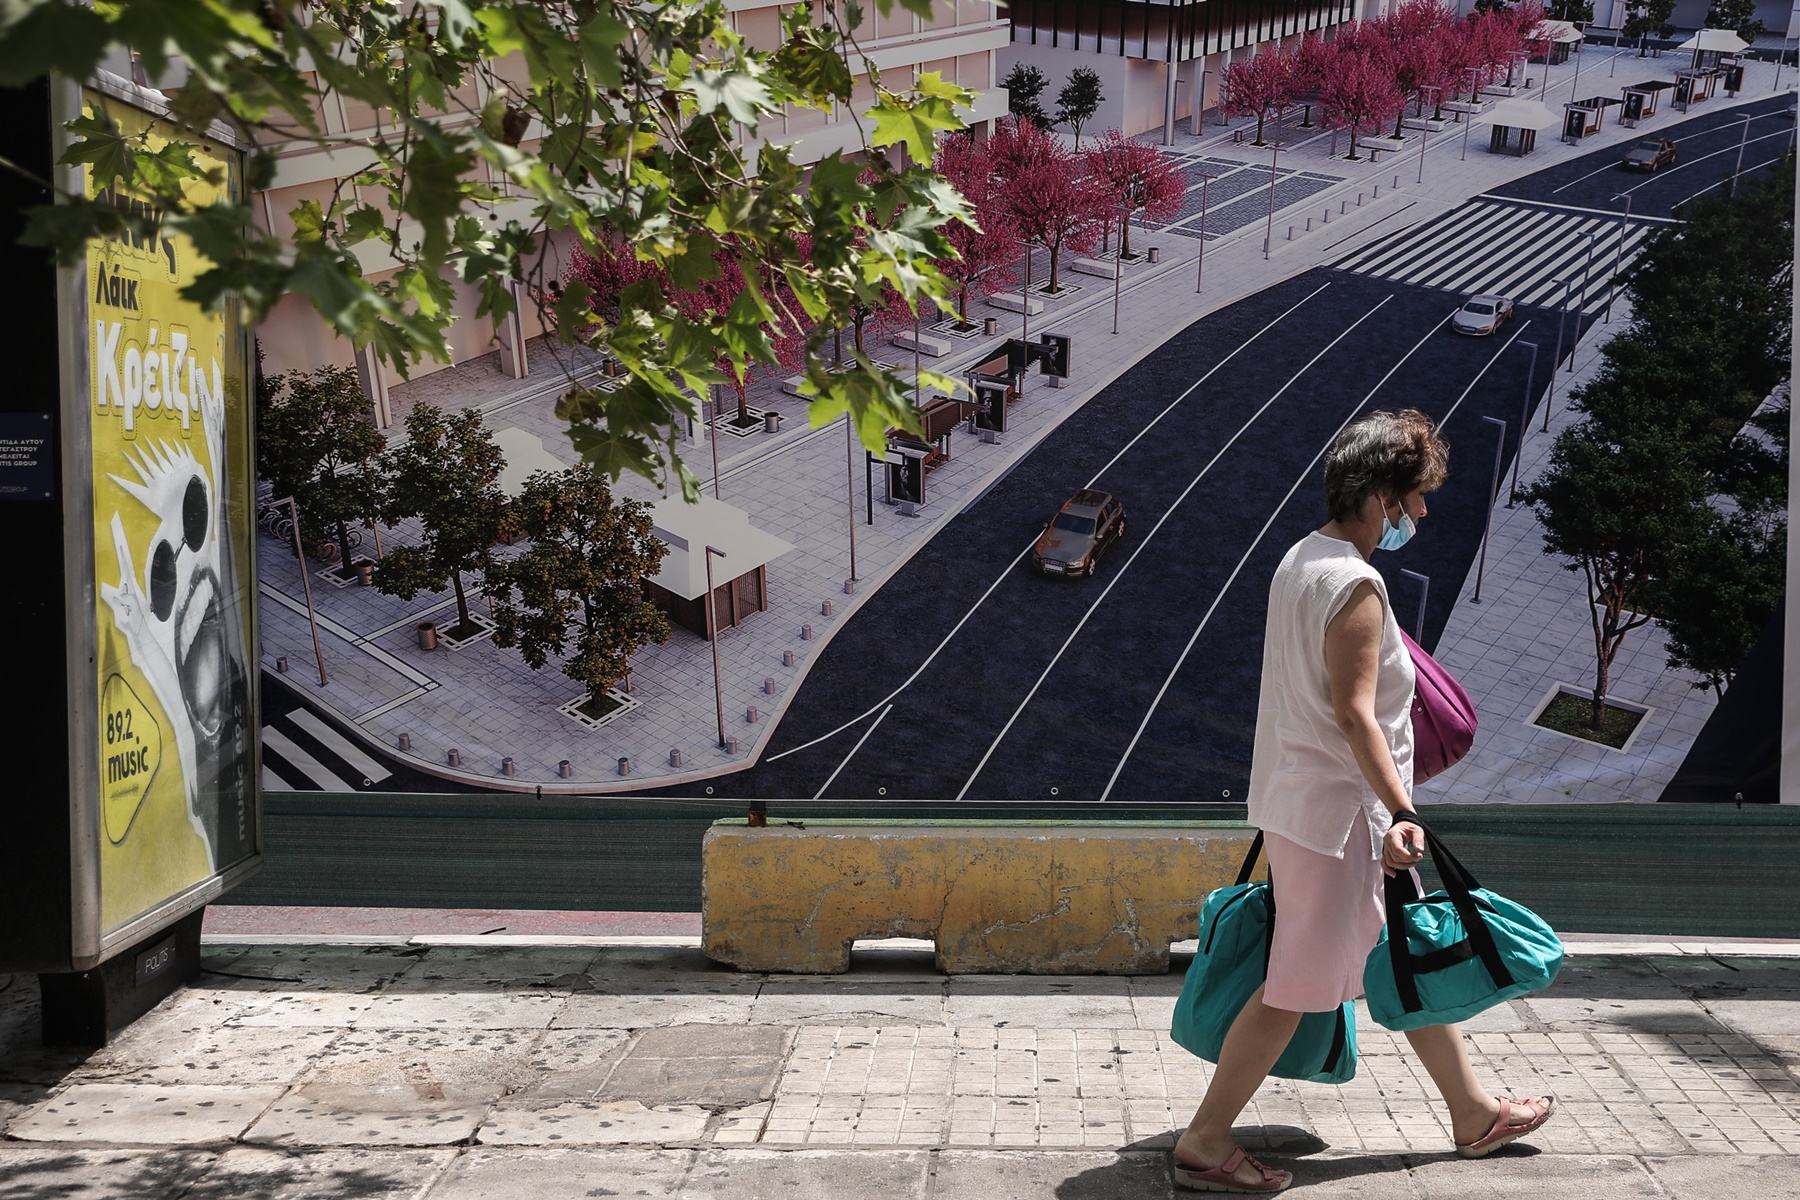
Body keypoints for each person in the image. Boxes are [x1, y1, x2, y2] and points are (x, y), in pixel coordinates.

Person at [1172, 409, 1552, 1193]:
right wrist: (1404, 810)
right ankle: (1206, 1140)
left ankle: (1473, 1111)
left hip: (1309, 809)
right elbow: (1353, 713)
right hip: (1342, 818)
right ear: (1380, 495)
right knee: (1296, 988)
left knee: (1398, 949)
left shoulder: (1300, 558)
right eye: (1413, 500)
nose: (1419, 516)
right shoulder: (1356, 583)